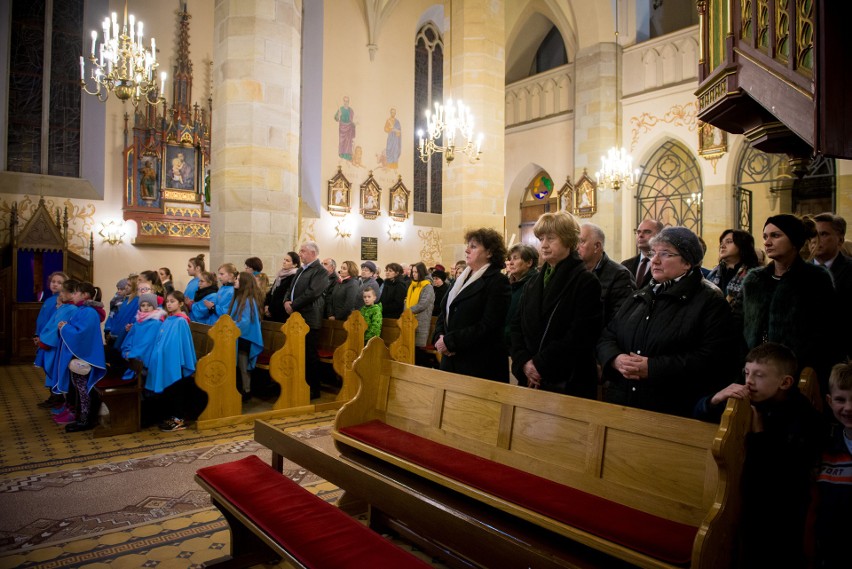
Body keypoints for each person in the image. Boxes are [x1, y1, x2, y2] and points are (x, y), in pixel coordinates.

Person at [694, 343, 823, 568]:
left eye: (759, 375)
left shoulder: (803, 416)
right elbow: (697, 414)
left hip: (781, 511)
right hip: (746, 501)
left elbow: (784, 472)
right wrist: (716, 399)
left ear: (785, 382)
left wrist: (759, 435)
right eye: (747, 373)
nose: (749, 381)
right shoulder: (749, 400)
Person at [597, 226, 739, 417]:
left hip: (671, 408)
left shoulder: (710, 301)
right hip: (622, 404)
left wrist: (653, 368)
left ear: (687, 262)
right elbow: (608, 336)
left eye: (665, 254)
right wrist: (616, 359)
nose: (654, 260)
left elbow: (713, 359)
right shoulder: (640, 295)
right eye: (653, 253)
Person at [742, 214, 842, 390]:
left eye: (775, 235)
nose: (767, 242)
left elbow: (826, 332)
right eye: (765, 236)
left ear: (794, 240)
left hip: (796, 373)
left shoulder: (815, 279)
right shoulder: (754, 281)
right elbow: (743, 327)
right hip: (754, 371)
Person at [510, 212, 603, 397]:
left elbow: (581, 335)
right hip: (530, 377)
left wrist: (539, 365)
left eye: (551, 238)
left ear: (569, 240)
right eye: (541, 238)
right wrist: (524, 363)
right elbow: (516, 326)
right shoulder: (532, 282)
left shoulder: (585, 281)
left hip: (567, 380)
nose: (543, 245)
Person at [433, 228, 511, 382]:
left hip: (478, 363)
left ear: (489, 252)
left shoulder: (497, 281)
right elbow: (446, 310)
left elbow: (489, 325)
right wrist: (439, 336)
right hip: (451, 360)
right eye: (468, 245)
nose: (467, 250)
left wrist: (450, 342)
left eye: (474, 246)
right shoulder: (461, 278)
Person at [56, 282, 107, 433]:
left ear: (85, 295)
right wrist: (65, 326)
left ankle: (87, 420)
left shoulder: (89, 312)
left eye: (76, 293)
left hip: (86, 356)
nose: (73, 295)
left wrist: (65, 327)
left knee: (85, 390)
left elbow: (82, 334)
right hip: (80, 355)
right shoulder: (83, 310)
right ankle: (82, 416)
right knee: (80, 388)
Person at [815, 362, 852, 568]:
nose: (849, 407)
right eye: (840, 399)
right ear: (829, 401)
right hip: (830, 554)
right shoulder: (826, 447)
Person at [146, 291, 197, 432]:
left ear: (180, 303)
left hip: (175, 362)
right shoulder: (169, 319)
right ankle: (173, 417)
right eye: (167, 301)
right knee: (170, 391)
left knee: (177, 390)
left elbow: (179, 344)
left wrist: (165, 355)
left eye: (172, 301)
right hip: (167, 360)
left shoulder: (181, 321)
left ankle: (179, 420)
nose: (168, 304)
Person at [285, 242, 329, 399]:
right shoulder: (301, 270)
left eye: (303, 251)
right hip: (297, 317)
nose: (300, 253)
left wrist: (293, 305)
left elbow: (312, 293)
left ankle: (313, 388)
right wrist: (286, 301)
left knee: (309, 355)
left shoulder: (320, 272)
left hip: (310, 318)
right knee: (298, 353)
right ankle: (300, 383)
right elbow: (291, 288)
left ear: (313, 253)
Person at [577, 223, 635, 324]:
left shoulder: (620, 275)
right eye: (575, 242)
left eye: (581, 242)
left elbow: (620, 319)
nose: (576, 247)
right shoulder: (575, 272)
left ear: (597, 246)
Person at [34, 279, 78, 410]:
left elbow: (56, 328)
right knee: (53, 373)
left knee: (58, 374)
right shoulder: (64, 306)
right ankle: (58, 399)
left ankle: (63, 402)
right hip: (50, 343)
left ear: (72, 293)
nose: (61, 293)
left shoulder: (71, 308)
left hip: (55, 346)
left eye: (63, 291)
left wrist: (45, 341)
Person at [812, 212, 851, 359]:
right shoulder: (798, 271)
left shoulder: (849, 270)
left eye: (823, 234)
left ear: (840, 240)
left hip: (840, 354)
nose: (816, 240)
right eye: (812, 234)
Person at [706, 229, 760, 319]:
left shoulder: (753, 276)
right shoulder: (713, 273)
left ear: (742, 246)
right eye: (721, 243)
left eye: (729, 242)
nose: (722, 246)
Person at [231, 272, 264, 401]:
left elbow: (245, 322)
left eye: (238, 279)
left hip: (245, 338)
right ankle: (241, 389)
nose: (235, 281)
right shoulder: (239, 297)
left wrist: (231, 325)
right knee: (239, 364)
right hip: (239, 336)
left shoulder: (249, 300)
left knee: (243, 365)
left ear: (244, 283)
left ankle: (246, 390)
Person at [120, 293, 166, 379]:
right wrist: (128, 352)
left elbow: (149, 344)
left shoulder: (157, 324)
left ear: (154, 307)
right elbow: (129, 340)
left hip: (147, 365)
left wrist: (134, 355)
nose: (146, 308)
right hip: (134, 362)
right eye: (143, 305)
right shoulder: (138, 323)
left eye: (149, 305)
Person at [503, 244, 539, 348]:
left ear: (529, 262)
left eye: (515, 258)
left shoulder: (533, 285)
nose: (511, 262)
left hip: (521, 346)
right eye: (510, 259)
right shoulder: (512, 284)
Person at [405, 262, 435, 360]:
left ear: (421, 272)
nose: (414, 274)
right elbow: (407, 301)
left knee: (418, 349)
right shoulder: (412, 286)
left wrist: (408, 311)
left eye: (416, 272)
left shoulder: (427, 287)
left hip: (421, 321)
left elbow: (423, 304)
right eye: (412, 272)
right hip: (409, 320)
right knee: (410, 347)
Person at [622, 219, 663, 288]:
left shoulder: (665, 265)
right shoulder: (625, 265)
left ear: (660, 235)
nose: (640, 235)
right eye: (638, 232)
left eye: (647, 232)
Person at [265, 252, 299, 322]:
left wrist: (270, 309)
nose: (284, 262)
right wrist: (266, 305)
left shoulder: (294, 277)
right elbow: (272, 291)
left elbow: (283, 295)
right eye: (284, 259)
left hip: (281, 313)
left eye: (287, 261)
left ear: (295, 264)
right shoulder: (280, 275)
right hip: (271, 310)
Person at [334, 96, 356, 161]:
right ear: (343, 101)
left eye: (347, 101)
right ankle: (342, 154)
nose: (346, 102)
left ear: (349, 102)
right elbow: (336, 118)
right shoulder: (340, 109)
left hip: (349, 128)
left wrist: (354, 124)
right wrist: (339, 115)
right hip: (342, 128)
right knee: (342, 141)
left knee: (348, 142)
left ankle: (348, 155)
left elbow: (351, 120)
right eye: (345, 101)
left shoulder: (351, 110)